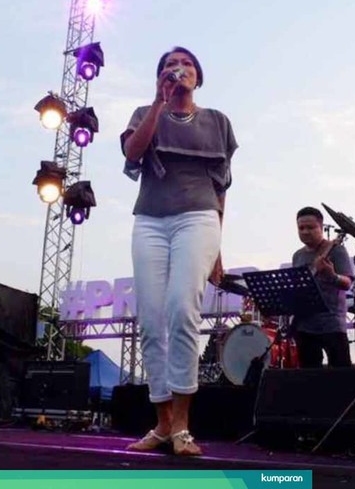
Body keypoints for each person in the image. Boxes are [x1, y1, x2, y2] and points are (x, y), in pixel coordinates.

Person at [120, 46, 237, 456]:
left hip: (199, 218)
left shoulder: (217, 122)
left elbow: (221, 189)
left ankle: (184, 427)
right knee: (151, 320)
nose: (178, 69)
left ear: (198, 76)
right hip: (150, 220)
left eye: (186, 64)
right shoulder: (143, 113)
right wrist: (157, 102)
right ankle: (163, 425)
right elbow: (134, 154)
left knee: (182, 308)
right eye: (169, 65)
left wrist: (217, 248)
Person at [292, 206, 354, 368]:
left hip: (332, 323)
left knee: (341, 374)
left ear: (321, 227)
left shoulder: (337, 250)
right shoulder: (297, 256)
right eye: (301, 228)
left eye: (310, 227)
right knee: (309, 376)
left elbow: (347, 283)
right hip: (304, 325)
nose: (305, 231)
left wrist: (331, 276)